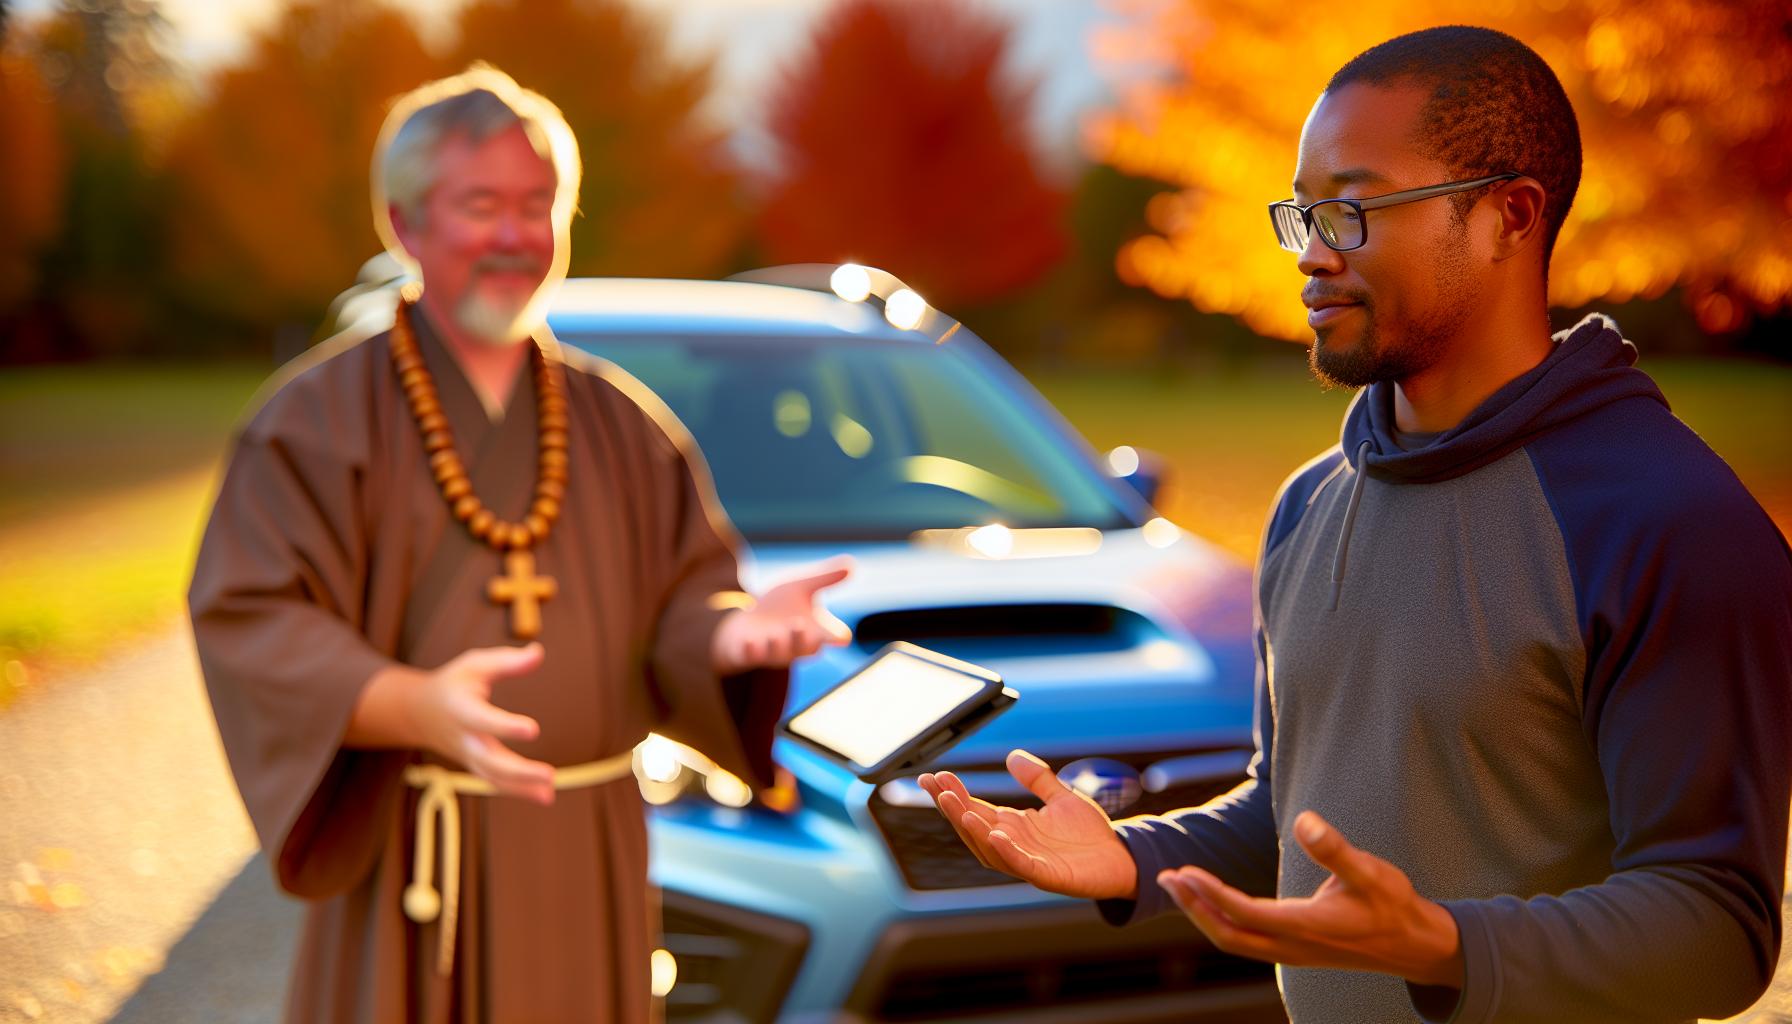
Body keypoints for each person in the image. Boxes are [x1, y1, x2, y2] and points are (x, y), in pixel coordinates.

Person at [919, 25, 1792, 1024]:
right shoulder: (1309, 506)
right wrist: (1133, 855)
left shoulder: (1669, 521)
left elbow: (1716, 928)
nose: (1312, 253)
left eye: (1353, 210)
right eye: (1303, 212)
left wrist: (1450, 948)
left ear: (1508, 217)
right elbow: (1289, 811)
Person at [188, 66, 852, 1022]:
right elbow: (250, 616)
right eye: (481, 206)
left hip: (587, 851)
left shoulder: (622, 423)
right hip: (413, 855)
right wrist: (409, 703)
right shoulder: (313, 421)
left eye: (537, 205)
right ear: (405, 224)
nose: (514, 235)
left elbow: (681, 598)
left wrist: (727, 636)